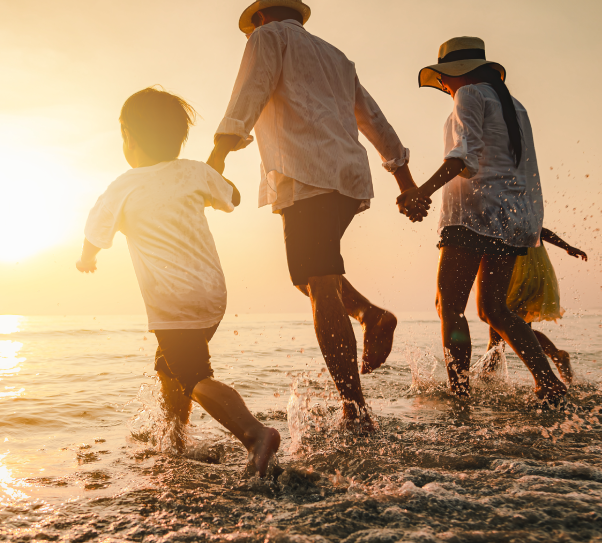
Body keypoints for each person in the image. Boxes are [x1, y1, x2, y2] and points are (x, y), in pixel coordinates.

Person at [206, 0, 416, 431]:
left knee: (318, 282)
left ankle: (355, 408)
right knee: (307, 274)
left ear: (261, 17)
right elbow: (373, 118)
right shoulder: (337, 57)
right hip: (345, 176)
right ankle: (371, 316)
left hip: (307, 175)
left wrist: (217, 156)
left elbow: (249, 92)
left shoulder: (267, 38)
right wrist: (404, 179)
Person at [76, 87, 280, 477]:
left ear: (128, 138)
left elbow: (95, 233)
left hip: (172, 302)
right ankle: (176, 440)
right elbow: (231, 197)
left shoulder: (123, 186)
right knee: (170, 366)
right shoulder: (194, 172)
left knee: (193, 375)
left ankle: (254, 433)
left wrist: (86, 260)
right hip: (212, 296)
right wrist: (207, 178)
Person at [397, 37, 567, 404]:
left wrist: (420, 192)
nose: (444, 85)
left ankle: (459, 394)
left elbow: (463, 159)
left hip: (473, 216)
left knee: (450, 306)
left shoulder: (469, 95)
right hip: (511, 219)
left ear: (457, 73)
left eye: (444, 78)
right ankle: (548, 382)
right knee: (493, 308)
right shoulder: (514, 105)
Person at [481, 227, 588, 384]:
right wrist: (566, 247)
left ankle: (488, 375)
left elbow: (539, 230)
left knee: (499, 322)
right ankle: (556, 356)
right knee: (517, 327)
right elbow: (540, 229)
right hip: (533, 268)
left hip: (517, 270)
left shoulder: (504, 210)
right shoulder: (522, 209)